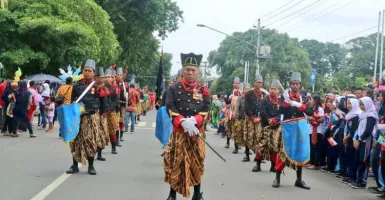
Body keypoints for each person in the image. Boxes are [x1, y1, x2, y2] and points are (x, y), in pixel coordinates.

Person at [164, 53, 210, 200]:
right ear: (183, 71)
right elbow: (170, 106)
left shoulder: (204, 90)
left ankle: (197, 194)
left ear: (197, 72)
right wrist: (182, 121)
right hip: (179, 132)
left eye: (193, 70)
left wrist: (195, 120)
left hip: (197, 133)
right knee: (175, 162)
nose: (190, 73)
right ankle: (172, 194)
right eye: (187, 70)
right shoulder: (174, 89)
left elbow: (206, 108)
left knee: (197, 162)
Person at [272, 72, 313, 189]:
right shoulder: (284, 96)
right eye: (293, 84)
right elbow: (279, 112)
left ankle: (299, 180)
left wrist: (299, 105)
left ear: (300, 85)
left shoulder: (304, 98)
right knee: (283, 152)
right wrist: (285, 103)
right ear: (290, 85)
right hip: (287, 128)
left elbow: (310, 112)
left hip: (300, 128)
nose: (295, 86)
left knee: (300, 152)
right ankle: (277, 177)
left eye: (297, 84)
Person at [65, 59, 106, 175]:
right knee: (75, 140)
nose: (87, 72)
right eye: (85, 70)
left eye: (89, 71)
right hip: (77, 117)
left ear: (94, 73)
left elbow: (103, 102)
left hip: (91, 117)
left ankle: (91, 166)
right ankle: (74, 165)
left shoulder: (98, 87)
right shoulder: (76, 85)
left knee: (90, 140)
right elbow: (72, 100)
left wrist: (102, 115)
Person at [351, 97, 378, 189]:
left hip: (366, 140)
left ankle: (362, 181)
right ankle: (358, 180)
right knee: (358, 160)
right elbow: (359, 129)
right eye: (360, 104)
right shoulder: (362, 114)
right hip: (360, 139)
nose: (361, 107)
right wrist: (356, 138)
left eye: (363, 104)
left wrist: (359, 139)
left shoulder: (371, 115)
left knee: (364, 160)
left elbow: (368, 130)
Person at [258, 80, 281, 171]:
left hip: (276, 127)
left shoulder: (281, 101)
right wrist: (269, 119)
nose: (273, 91)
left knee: (275, 146)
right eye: (271, 89)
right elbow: (262, 111)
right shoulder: (265, 100)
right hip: (265, 125)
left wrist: (275, 120)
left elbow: (282, 113)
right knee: (262, 145)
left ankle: (273, 165)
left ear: (278, 90)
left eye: (275, 89)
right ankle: (258, 164)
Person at [245, 74, 265, 172]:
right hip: (251, 119)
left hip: (261, 120)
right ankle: (247, 154)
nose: (259, 84)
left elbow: (265, 108)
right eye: (258, 82)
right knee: (250, 137)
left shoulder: (264, 94)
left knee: (259, 139)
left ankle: (258, 158)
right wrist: (252, 117)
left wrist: (260, 118)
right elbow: (247, 107)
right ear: (254, 83)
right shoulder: (249, 93)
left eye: (261, 82)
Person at [104, 67, 120, 154]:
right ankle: (99, 151)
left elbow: (116, 101)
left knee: (112, 129)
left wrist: (110, 109)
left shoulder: (115, 88)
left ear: (112, 78)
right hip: (102, 112)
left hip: (111, 111)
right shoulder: (100, 87)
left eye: (109, 76)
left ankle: (113, 147)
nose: (107, 78)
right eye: (105, 77)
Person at [225, 77, 241, 153]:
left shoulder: (241, 93)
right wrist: (229, 100)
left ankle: (237, 145)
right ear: (233, 84)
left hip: (237, 113)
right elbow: (226, 102)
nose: (236, 84)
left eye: (238, 83)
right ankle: (228, 143)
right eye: (235, 83)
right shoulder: (229, 93)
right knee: (229, 128)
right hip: (230, 112)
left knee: (237, 129)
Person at [115, 67, 129, 141]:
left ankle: (121, 136)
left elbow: (127, 95)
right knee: (116, 122)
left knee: (122, 121)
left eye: (121, 74)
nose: (119, 76)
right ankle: (116, 138)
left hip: (122, 106)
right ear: (116, 75)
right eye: (118, 74)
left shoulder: (125, 85)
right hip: (115, 106)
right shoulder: (114, 84)